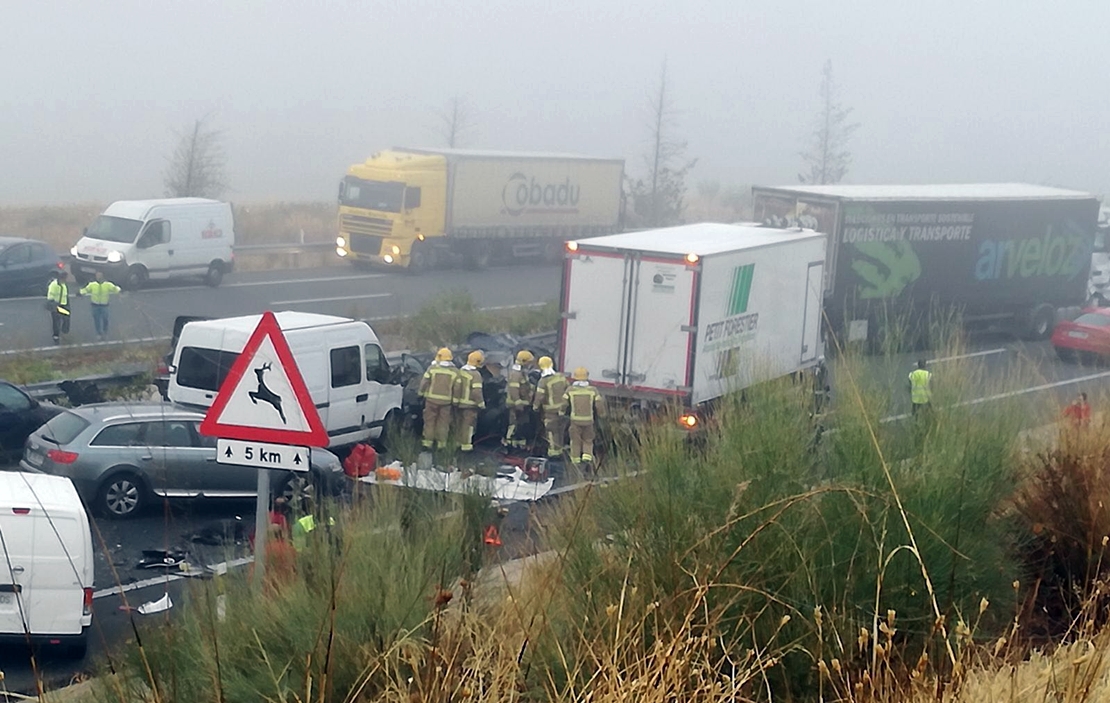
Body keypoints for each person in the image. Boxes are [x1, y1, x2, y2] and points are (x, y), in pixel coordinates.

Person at [565, 367, 606, 468]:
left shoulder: (570, 390)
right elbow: (599, 404)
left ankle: (575, 461)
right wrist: (602, 414)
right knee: (588, 440)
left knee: (575, 441)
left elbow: (563, 404)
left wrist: (561, 413)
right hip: (588, 421)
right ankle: (587, 459)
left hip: (575, 421)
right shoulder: (593, 390)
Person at [419, 347, 459, 450]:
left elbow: (424, 382)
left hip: (431, 401)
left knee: (430, 421)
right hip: (446, 403)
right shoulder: (455, 372)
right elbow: (457, 388)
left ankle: (428, 443)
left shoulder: (432, 369)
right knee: (443, 423)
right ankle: (441, 445)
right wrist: (455, 400)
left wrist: (420, 393)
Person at [533, 356, 568, 458]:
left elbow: (539, 396)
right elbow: (568, 389)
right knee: (560, 430)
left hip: (550, 411)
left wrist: (535, 407)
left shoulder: (543, 381)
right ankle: (560, 450)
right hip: (562, 410)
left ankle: (553, 453)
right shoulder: (561, 377)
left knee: (551, 432)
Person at [454, 350, 486, 452]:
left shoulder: (461, 371)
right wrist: (481, 404)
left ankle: (457, 444)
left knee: (458, 424)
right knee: (468, 427)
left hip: (459, 404)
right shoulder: (476, 375)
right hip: (470, 405)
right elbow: (476, 392)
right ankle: (466, 447)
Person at [504, 350, 536, 448]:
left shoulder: (522, 372)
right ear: (524, 361)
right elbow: (514, 390)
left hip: (523, 403)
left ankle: (520, 444)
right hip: (515, 404)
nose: (530, 364)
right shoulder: (516, 374)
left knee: (522, 424)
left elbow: (525, 386)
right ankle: (509, 443)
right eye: (529, 362)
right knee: (514, 424)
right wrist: (518, 402)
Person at [79, 271, 123, 341]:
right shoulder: (92, 284)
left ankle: (105, 332)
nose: (98, 277)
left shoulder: (108, 284)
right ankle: (99, 333)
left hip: (104, 305)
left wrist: (119, 291)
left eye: (100, 275)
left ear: (103, 276)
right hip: (95, 305)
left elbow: (115, 288)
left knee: (105, 319)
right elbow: (86, 290)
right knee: (97, 320)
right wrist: (80, 292)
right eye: (97, 276)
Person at [46, 270, 72, 344]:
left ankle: (64, 333)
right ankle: (56, 336)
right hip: (56, 305)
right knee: (56, 321)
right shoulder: (54, 285)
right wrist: (53, 305)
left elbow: (65, 295)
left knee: (66, 319)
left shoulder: (64, 284)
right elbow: (50, 296)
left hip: (63, 305)